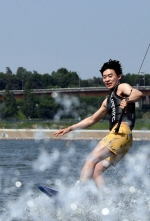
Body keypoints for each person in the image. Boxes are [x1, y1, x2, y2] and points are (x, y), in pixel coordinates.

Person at [54, 59, 142, 189]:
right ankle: (106, 202)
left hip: (121, 132)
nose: (107, 79)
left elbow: (138, 93)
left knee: (91, 159)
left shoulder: (122, 87)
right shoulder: (107, 101)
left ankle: (77, 196)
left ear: (119, 77)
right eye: (104, 77)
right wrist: (70, 128)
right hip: (125, 140)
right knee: (96, 172)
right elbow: (91, 120)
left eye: (110, 76)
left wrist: (128, 99)